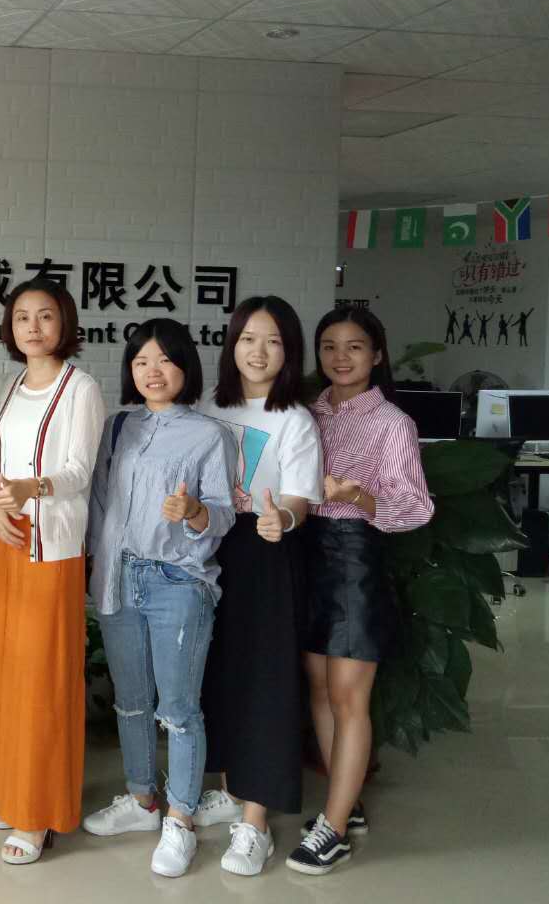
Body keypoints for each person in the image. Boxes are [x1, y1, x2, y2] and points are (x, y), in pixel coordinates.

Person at [83, 318, 236, 879]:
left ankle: (181, 817)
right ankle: (143, 799)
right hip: (117, 578)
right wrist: (93, 565)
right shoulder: (117, 427)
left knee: (178, 709)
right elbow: (98, 504)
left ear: (185, 367)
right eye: (142, 360)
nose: (153, 371)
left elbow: (223, 513)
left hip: (177, 581)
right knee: (130, 701)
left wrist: (193, 511)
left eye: (165, 360)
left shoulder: (209, 434)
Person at [288, 306, 432, 876]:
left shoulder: (392, 422)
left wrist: (357, 495)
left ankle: (333, 830)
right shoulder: (309, 413)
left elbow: (415, 508)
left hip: (354, 560)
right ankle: (343, 803)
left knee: (349, 697)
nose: (340, 357)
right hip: (307, 554)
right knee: (320, 688)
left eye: (354, 346)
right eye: (329, 346)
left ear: (377, 355)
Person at [0, 280, 104, 866]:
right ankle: (11, 790)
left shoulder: (81, 389)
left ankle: (38, 812)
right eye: (22, 316)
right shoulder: (5, 386)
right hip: (3, 541)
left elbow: (78, 472)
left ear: (64, 323)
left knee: (41, 681)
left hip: (50, 550)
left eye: (45, 316)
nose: (33, 326)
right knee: (3, 673)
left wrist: (31, 488)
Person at [196, 297, 323, 876]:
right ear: (232, 344)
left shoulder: (294, 418)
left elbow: (299, 497)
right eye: (248, 338)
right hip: (209, 547)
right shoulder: (208, 404)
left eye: (273, 340)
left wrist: (282, 518)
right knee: (221, 671)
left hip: (266, 550)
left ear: (288, 351)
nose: (259, 351)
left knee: (265, 680)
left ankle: (256, 822)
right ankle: (231, 787)